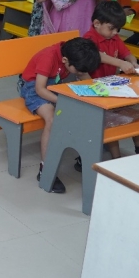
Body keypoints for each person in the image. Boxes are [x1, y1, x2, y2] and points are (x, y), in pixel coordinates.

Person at [19, 37, 99, 193]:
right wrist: (64, 102)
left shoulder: (73, 56)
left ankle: (83, 157)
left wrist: (96, 91)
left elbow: (86, 79)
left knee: (87, 112)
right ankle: (46, 169)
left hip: (54, 86)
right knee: (52, 120)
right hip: (34, 88)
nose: (81, 74)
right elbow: (39, 89)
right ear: (65, 60)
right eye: (79, 71)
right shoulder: (48, 57)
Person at [81, 0, 139, 167]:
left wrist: (133, 62)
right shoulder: (89, 38)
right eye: (112, 28)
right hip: (94, 90)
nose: (115, 33)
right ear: (97, 23)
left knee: (137, 115)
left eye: (118, 29)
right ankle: (116, 160)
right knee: (108, 122)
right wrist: (121, 63)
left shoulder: (113, 37)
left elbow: (127, 53)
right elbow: (98, 56)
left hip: (111, 87)